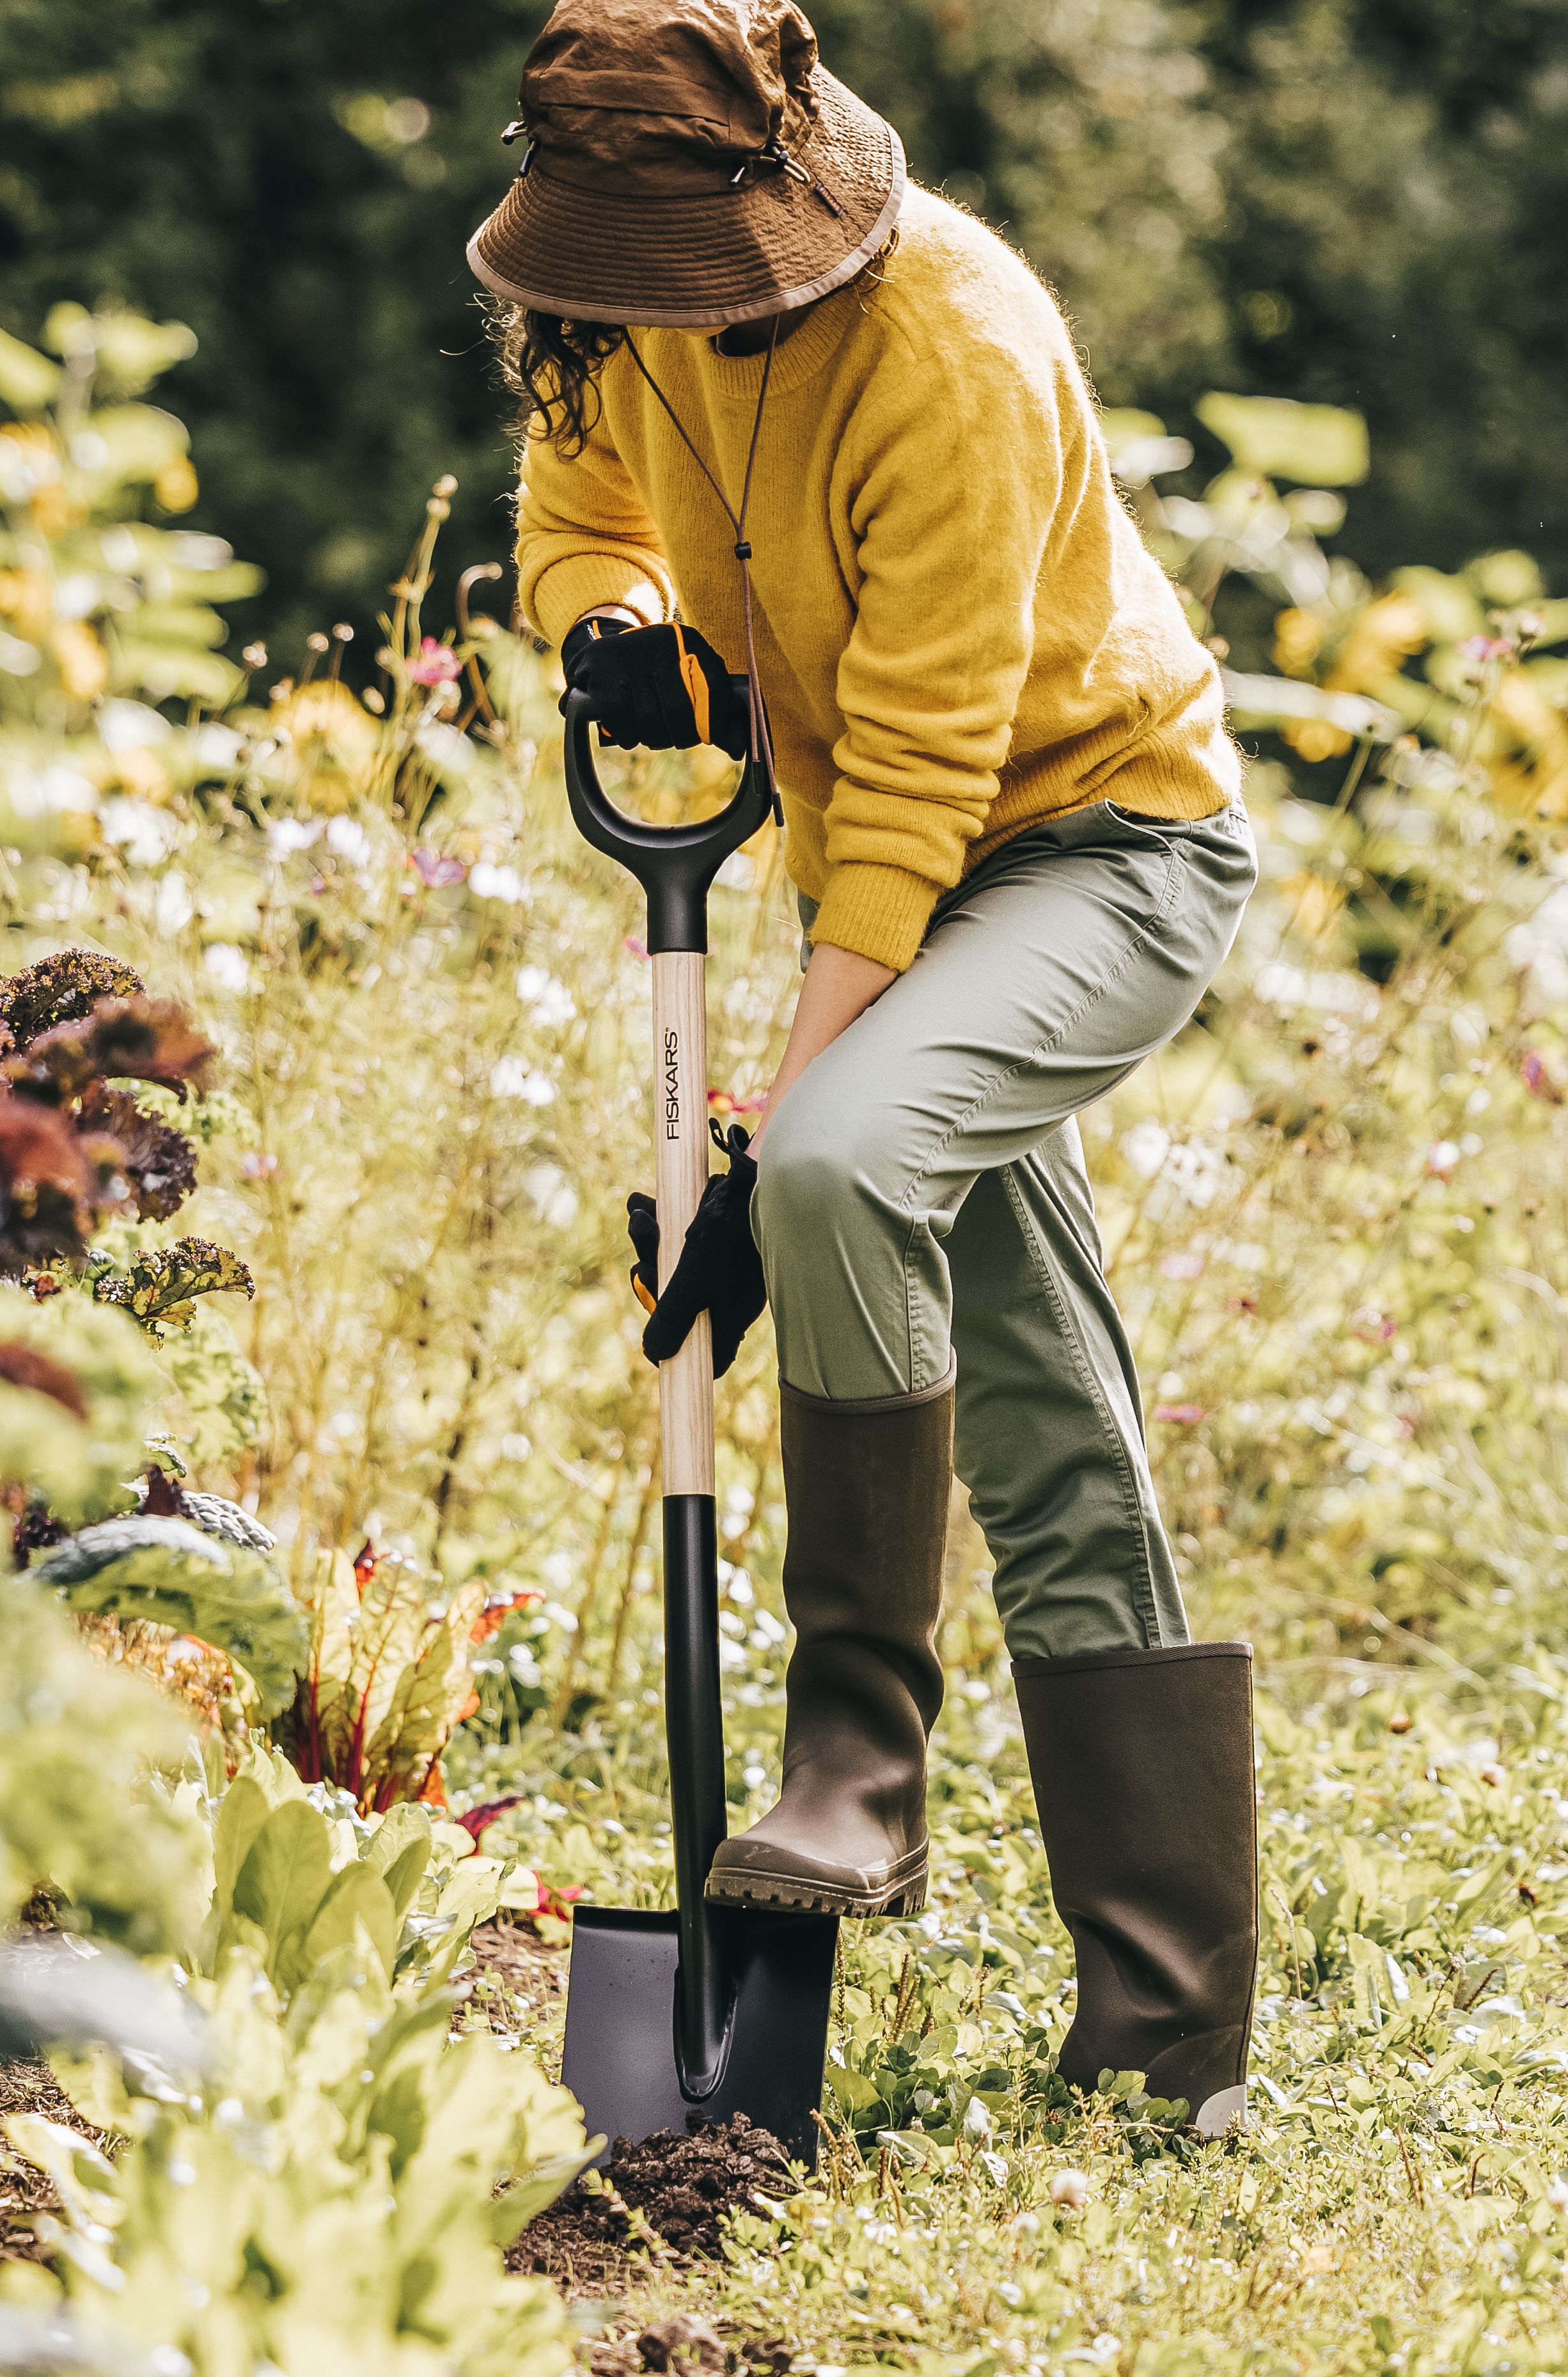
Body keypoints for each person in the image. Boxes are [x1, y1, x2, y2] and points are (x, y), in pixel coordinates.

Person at [467, 0, 1260, 2133]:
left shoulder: (951, 345)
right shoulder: (625, 306)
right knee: (1044, 1416)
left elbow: (911, 789)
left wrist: (758, 1136)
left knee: (829, 1167)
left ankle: (855, 1761)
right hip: (901, 899)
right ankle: (1167, 2041)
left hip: (1102, 848)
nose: (642, 320)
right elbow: (578, 487)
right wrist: (604, 609)